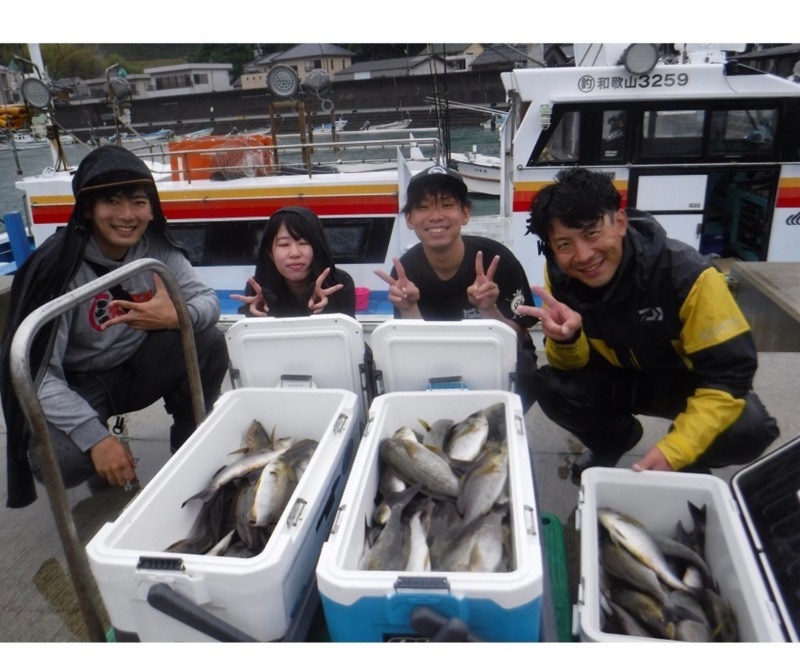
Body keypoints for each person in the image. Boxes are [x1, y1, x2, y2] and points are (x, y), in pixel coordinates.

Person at [0, 144, 229, 509]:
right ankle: (99, 456)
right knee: (61, 461)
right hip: (81, 383)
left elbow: (209, 302)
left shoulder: (158, 249)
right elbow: (37, 373)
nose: (127, 215)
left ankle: (188, 441)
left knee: (209, 342)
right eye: (112, 202)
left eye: (138, 202)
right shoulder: (60, 271)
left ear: (151, 208)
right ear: (88, 208)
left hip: (138, 367)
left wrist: (176, 315)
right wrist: (95, 438)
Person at [519, 166, 779, 485]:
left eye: (591, 233)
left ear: (620, 223)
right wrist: (566, 340)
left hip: (683, 382)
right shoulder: (560, 278)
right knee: (552, 386)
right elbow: (570, 366)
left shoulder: (689, 277)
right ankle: (614, 441)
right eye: (564, 244)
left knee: (749, 427)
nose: (583, 255)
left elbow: (730, 375)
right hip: (616, 377)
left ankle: (688, 461)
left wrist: (677, 449)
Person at [375, 164, 539, 410]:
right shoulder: (404, 272)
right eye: (423, 207)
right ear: (409, 219)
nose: (435, 216)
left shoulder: (499, 261)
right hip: (433, 356)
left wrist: (489, 311)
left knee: (526, 370)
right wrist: (409, 307)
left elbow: (518, 339)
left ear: (465, 213)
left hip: (490, 353)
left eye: (447, 204)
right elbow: (411, 348)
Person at [231, 206, 356, 318]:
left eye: (303, 243)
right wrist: (262, 310)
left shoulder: (338, 283)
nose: (295, 253)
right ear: (270, 253)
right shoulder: (258, 288)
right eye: (284, 244)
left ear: (317, 248)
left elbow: (349, 335)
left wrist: (324, 306)